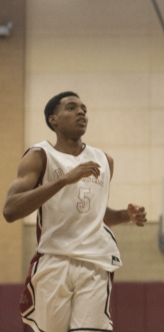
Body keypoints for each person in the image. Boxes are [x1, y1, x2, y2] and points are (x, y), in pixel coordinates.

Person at [3, 91, 147, 332]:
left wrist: (125, 216)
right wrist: (63, 181)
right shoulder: (39, 156)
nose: (81, 112)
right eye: (71, 108)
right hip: (53, 259)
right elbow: (10, 210)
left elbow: (96, 214)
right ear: (53, 120)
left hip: (95, 260)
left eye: (84, 109)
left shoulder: (104, 160)